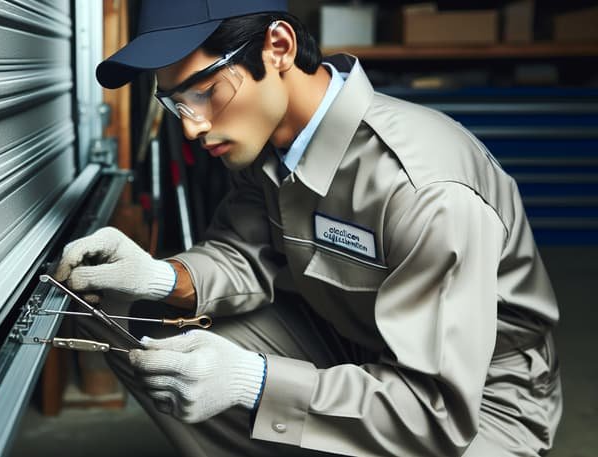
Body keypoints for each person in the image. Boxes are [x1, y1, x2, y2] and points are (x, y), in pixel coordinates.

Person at [54, 0, 562, 455]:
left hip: (474, 407)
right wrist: (158, 278)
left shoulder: (425, 190)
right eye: (176, 103)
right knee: (141, 323)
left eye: (205, 92)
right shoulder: (266, 139)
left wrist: (253, 382)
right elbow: (245, 254)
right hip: (354, 344)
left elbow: (438, 412)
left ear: (278, 47)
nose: (191, 125)